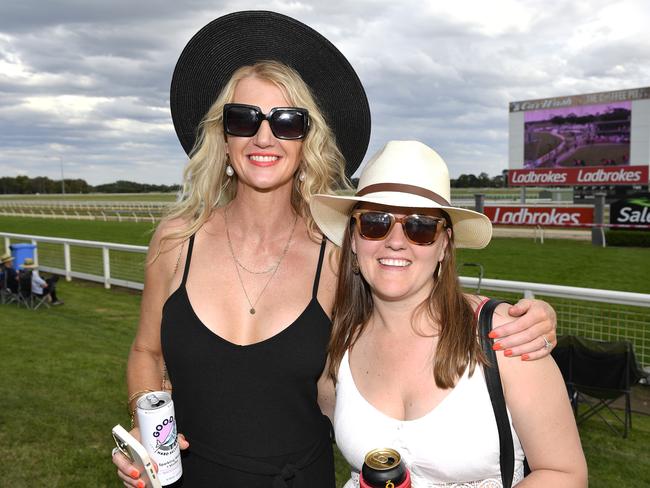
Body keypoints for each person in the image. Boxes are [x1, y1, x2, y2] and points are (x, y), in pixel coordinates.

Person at [113, 11, 559, 488]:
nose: (264, 137)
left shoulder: (337, 252)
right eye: (244, 119)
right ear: (223, 136)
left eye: (287, 121)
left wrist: (523, 319)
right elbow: (146, 350)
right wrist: (147, 420)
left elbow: (414, 297)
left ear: (308, 140)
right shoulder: (176, 240)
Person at [311, 140, 587, 487]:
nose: (396, 241)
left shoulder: (506, 337)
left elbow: (565, 474)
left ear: (445, 243)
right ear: (353, 238)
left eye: (420, 227)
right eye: (375, 223)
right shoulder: (338, 343)